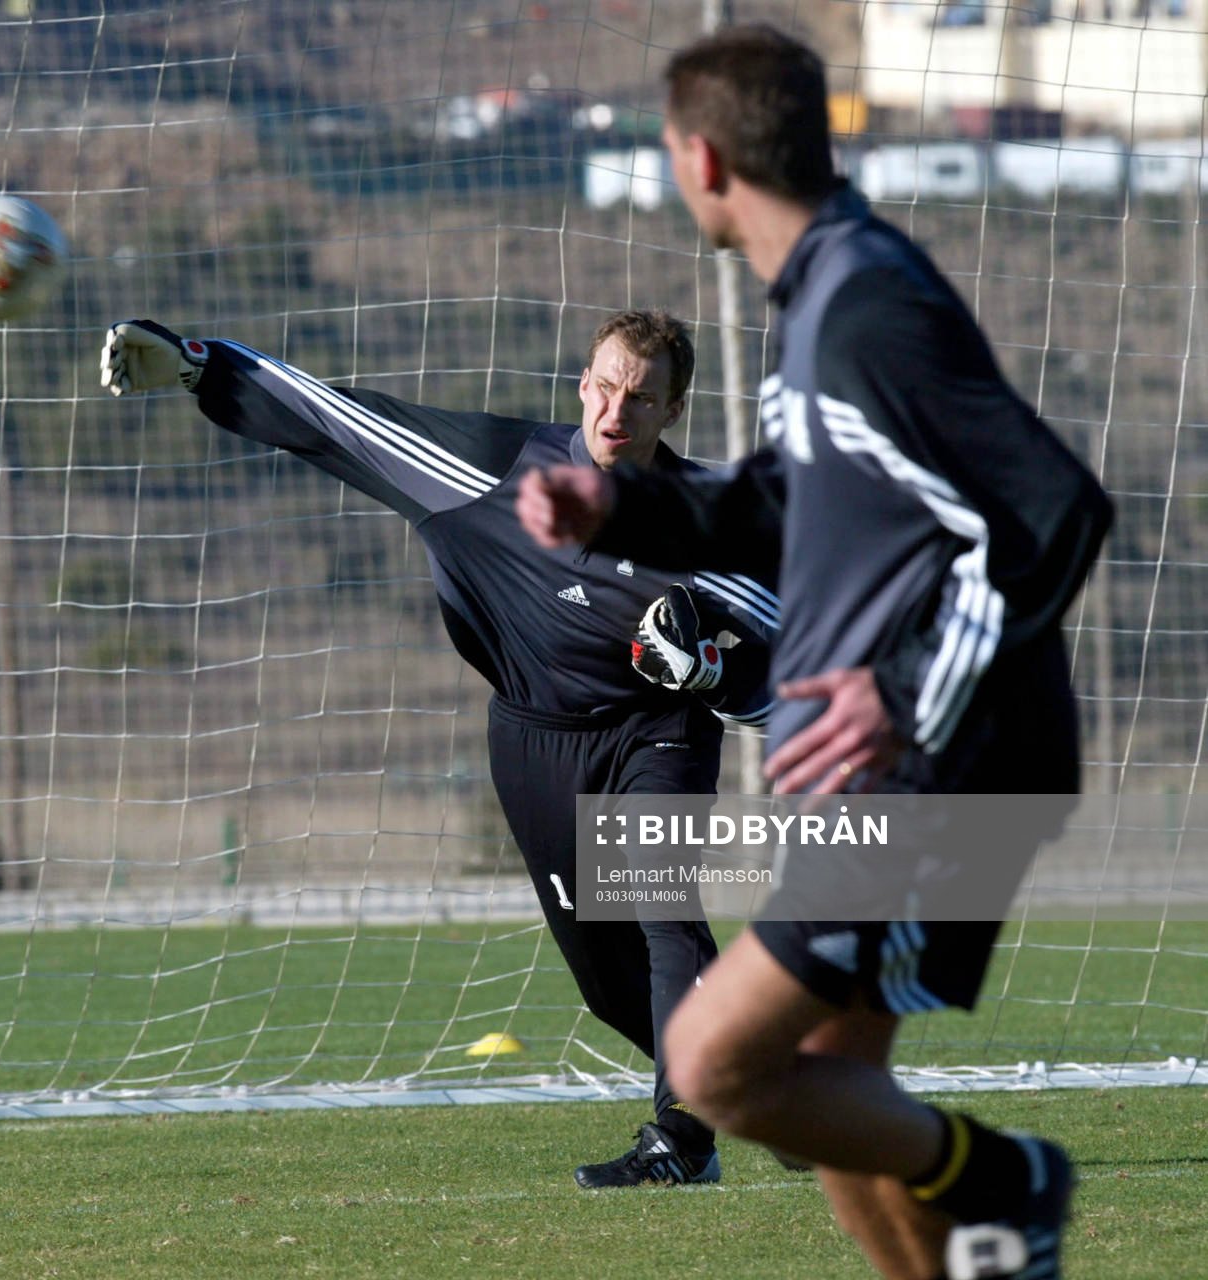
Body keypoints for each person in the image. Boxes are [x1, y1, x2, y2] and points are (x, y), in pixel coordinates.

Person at [516, 26, 1111, 1280]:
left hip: (943, 768)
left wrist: (901, 698)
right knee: (839, 1113)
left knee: (718, 1063)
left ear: (704, 157)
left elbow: (1056, 512)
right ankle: (979, 1236)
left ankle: (1009, 1175)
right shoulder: (825, 295)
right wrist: (624, 511)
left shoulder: (865, 308)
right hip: (920, 765)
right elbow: (789, 501)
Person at [101, 308, 778, 1188]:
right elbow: (337, 420)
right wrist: (201, 368)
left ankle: (681, 1142)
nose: (618, 411)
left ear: (673, 412)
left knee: (663, 913)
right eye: (606, 387)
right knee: (610, 988)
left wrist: (711, 673)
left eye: (643, 398)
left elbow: (787, 688)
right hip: (533, 747)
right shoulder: (489, 472)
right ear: (582, 384)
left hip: (656, 739)